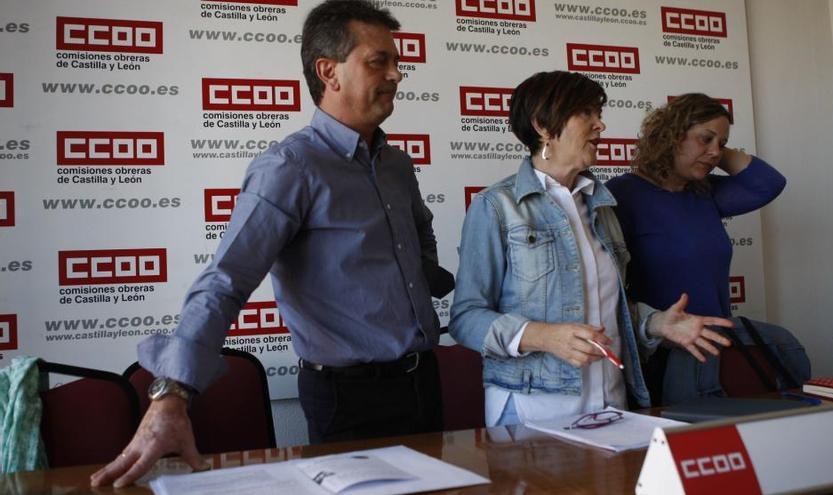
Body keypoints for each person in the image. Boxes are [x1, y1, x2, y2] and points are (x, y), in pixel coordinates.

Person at [91, 0, 446, 487]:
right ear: (329, 71)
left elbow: (421, 233)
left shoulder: (396, 164)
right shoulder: (290, 168)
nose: (396, 74)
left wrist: (428, 277)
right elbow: (225, 280)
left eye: (396, 61)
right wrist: (172, 392)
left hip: (425, 384)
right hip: (350, 400)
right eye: (378, 61)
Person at [449, 72, 733, 427]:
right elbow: (466, 318)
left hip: (611, 402)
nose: (600, 125)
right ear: (543, 125)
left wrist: (656, 322)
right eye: (587, 113)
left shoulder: (602, 206)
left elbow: (605, 309)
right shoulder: (496, 207)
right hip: (531, 410)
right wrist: (545, 337)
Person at [606, 93, 786, 404]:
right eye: (704, 139)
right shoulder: (622, 195)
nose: (716, 152)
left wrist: (711, 147)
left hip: (714, 354)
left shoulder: (705, 192)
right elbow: (608, 288)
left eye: (723, 143)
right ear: (672, 136)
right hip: (658, 357)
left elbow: (768, 183)